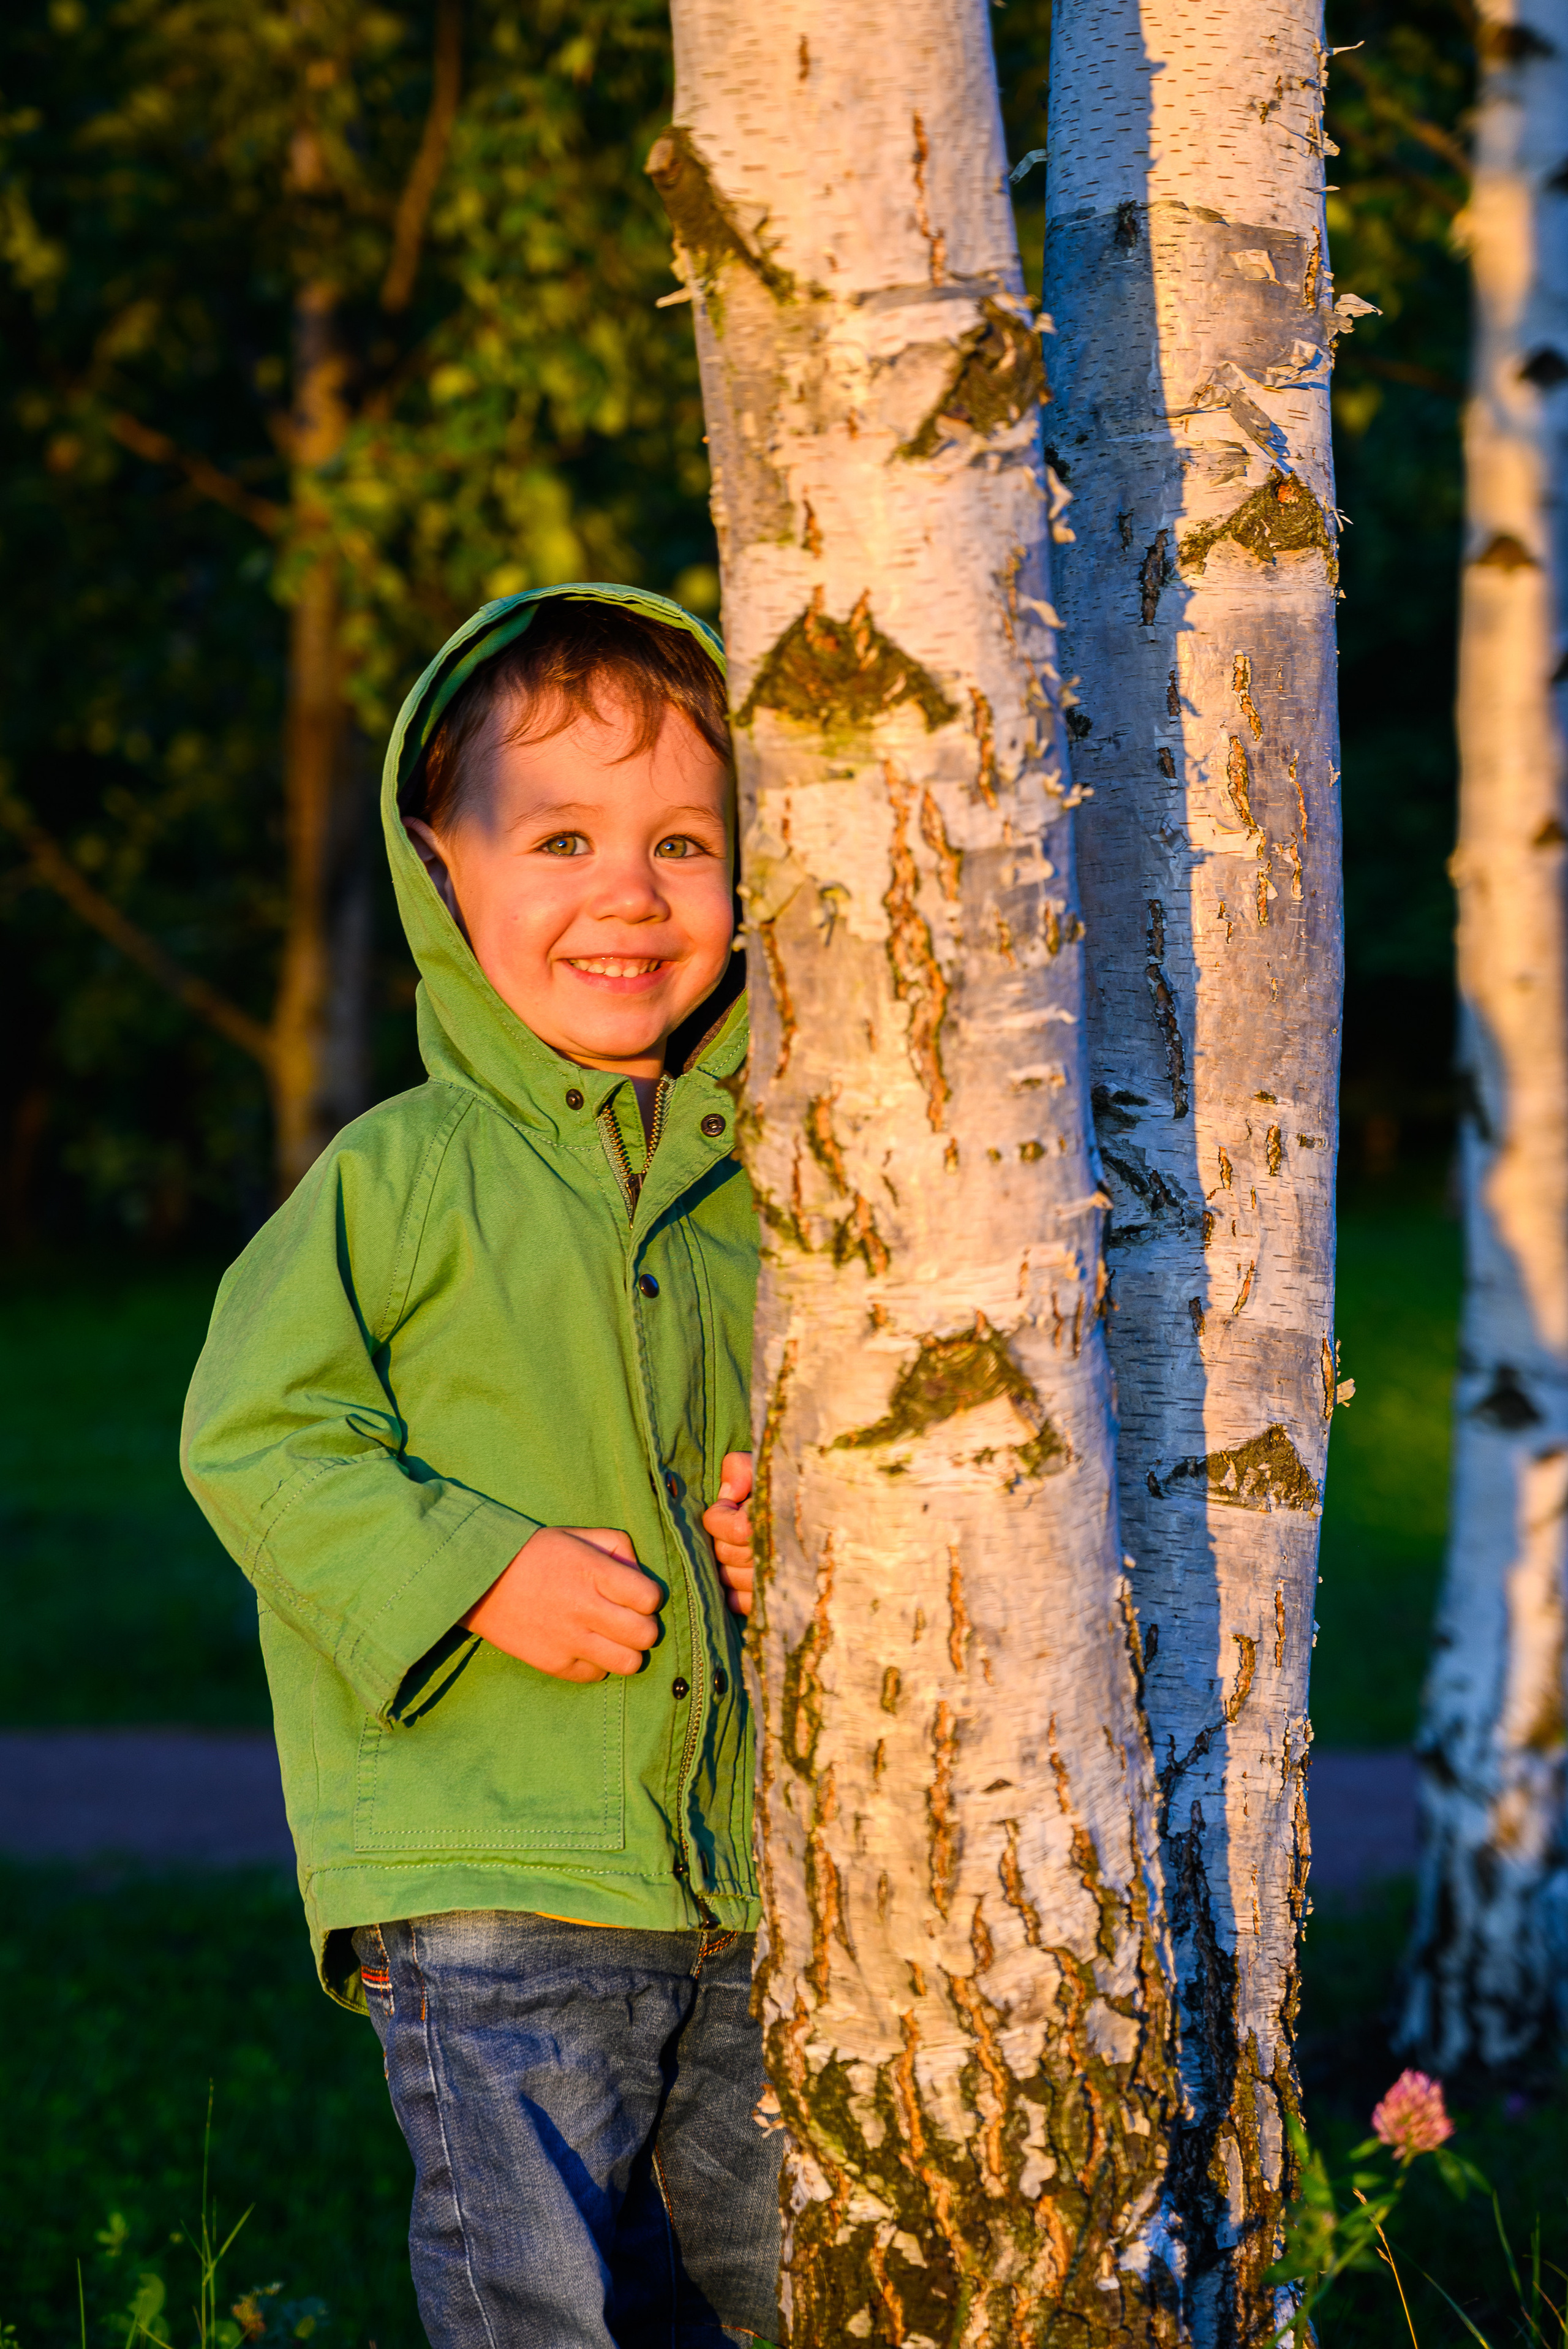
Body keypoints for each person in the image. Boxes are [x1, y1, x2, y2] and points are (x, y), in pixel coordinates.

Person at [181, 585, 780, 2349]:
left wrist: (800, 1535)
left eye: (685, 839)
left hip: (751, 1883)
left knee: (777, 2291)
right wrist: (477, 1567)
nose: (631, 892)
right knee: (541, 2300)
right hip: (494, 1871)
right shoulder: (402, 1173)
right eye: (563, 836)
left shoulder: (795, 1177)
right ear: (445, 863)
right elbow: (257, 1432)